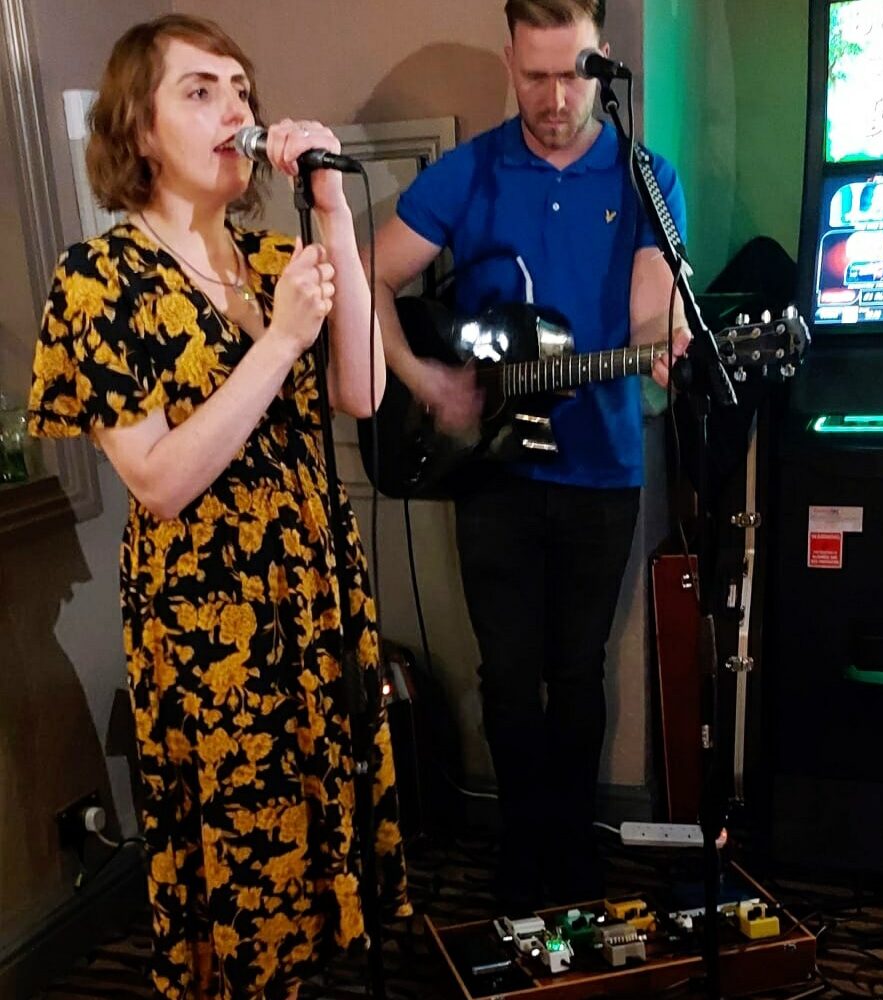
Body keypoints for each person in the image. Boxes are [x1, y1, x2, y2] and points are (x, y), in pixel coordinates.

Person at [28, 14, 409, 1000]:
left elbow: (362, 392)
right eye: (200, 90)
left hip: (316, 593)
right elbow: (156, 480)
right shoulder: (97, 279)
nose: (235, 109)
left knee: (327, 854)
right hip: (210, 619)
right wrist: (277, 343)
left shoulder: (270, 258)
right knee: (244, 876)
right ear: (138, 130)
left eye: (241, 89)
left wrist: (329, 212)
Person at [367, 0, 689, 913]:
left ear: (604, 61)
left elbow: (645, 316)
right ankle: (520, 850)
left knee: (577, 673)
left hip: (601, 472)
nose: (554, 98)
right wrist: (425, 383)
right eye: (535, 74)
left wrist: (658, 346)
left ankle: (573, 853)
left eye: (573, 73)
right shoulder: (471, 173)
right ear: (508, 60)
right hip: (493, 474)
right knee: (506, 677)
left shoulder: (643, 177)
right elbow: (369, 274)